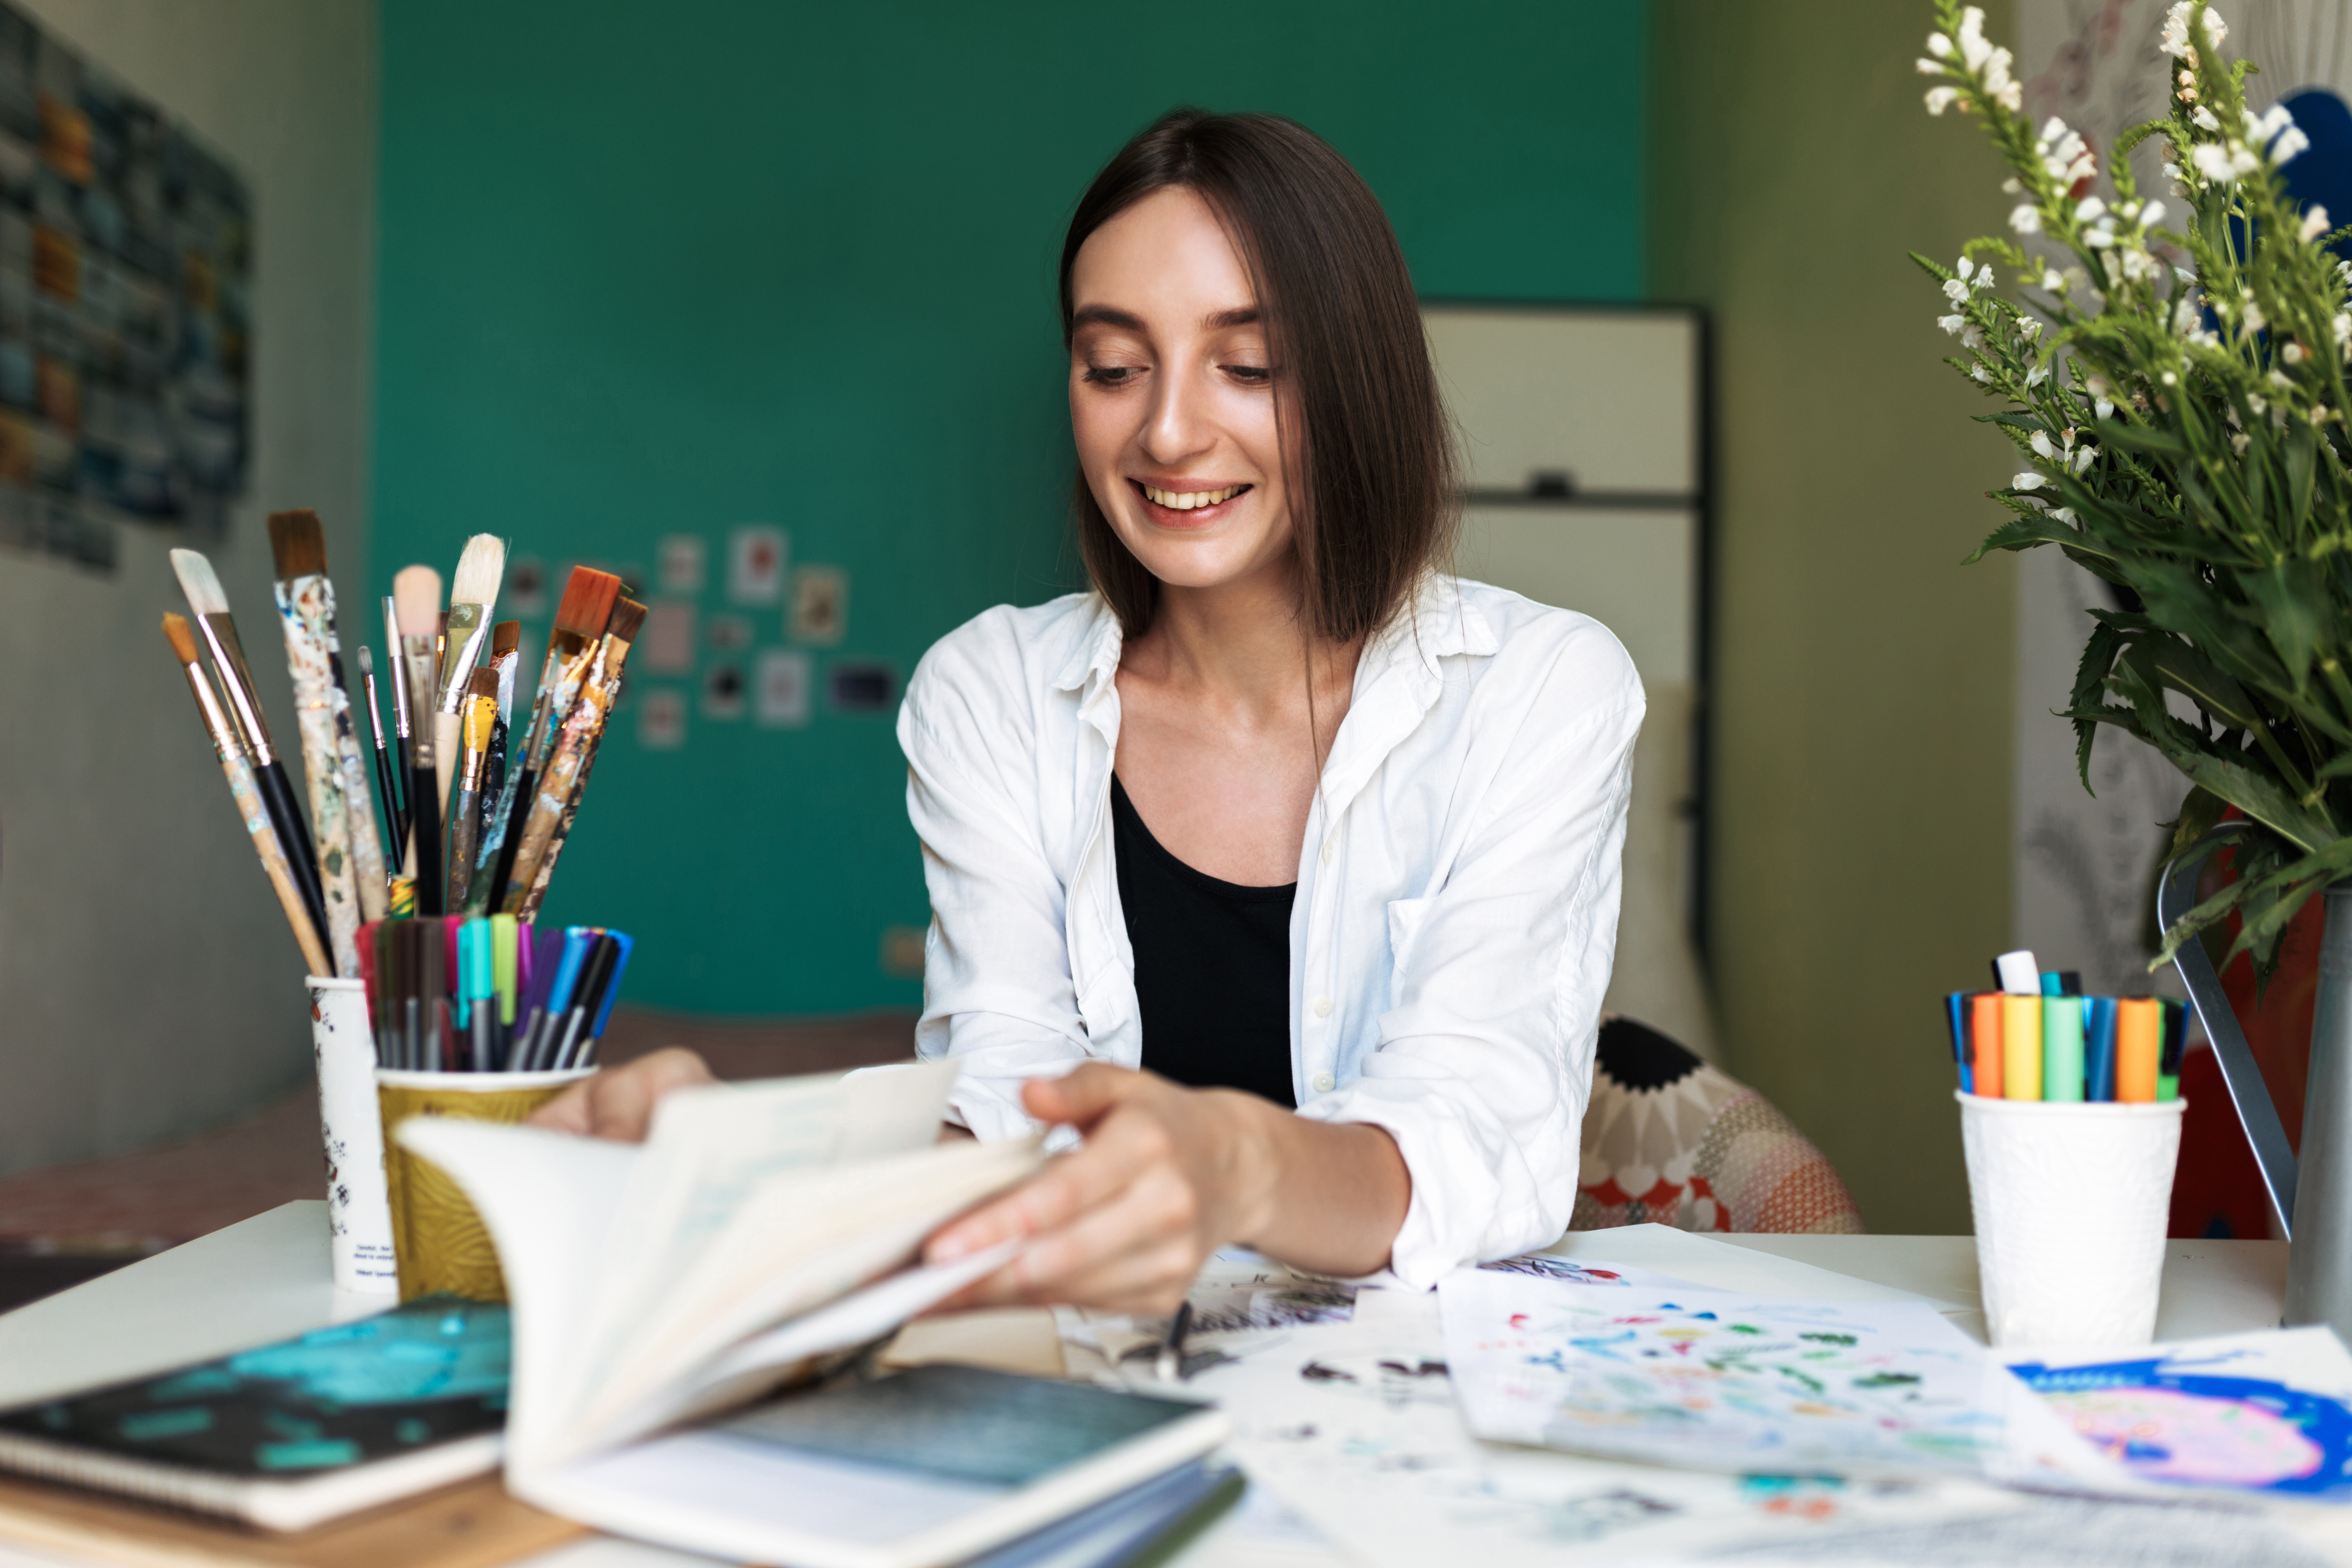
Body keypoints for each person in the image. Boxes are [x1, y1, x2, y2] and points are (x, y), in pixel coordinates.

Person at [534, 108, 1643, 1313]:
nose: (1166, 430)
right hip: (1093, 1384)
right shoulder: (993, 695)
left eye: (1250, 365)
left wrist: (1236, 1164)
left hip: (1418, 1411)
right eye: (1114, 367)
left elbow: (1470, 1130)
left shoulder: (1542, 689)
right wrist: (747, 1159)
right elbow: (1001, 1097)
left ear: (1357, 375)